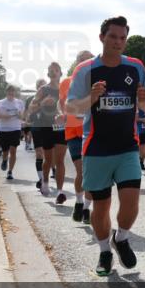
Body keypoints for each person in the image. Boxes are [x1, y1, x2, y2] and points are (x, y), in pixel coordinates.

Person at [67, 16, 145, 276]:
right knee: (101, 207)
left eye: (122, 38)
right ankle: (104, 251)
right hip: (96, 148)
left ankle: (121, 238)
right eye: (113, 37)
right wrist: (91, 97)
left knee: (130, 202)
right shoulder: (85, 70)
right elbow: (72, 109)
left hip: (127, 146)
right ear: (102, 37)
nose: (118, 42)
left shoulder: (135, 67)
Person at [61, 50, 95, 223]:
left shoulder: (97, 81)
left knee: (91, 172)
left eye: (89, 60)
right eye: (82, 60)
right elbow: (63, 105)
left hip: (92, 131)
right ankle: (80, 202)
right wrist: (61, 114)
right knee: (82, 170)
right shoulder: (66, 83)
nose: (86, 63)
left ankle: (86, 207)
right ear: (76, 63)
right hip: (73, 131)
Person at [30, 63, 68, 202]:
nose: (53, 72)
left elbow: (73, 104)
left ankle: (59, 192)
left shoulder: (65, 87)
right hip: (46, 127)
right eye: (51, 71)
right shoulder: (43, 90)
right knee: (48, 160)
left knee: (60, 160)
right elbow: (31, 108)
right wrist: (42, 103)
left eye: (56, 70)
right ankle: (45, 181)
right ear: (48, 74)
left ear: (60, 73)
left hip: (61, 127)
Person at [0, 85, 26, 179]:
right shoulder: (0, 103)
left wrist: (20, 116)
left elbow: (23, 117)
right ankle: (4, 159)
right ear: (6, 92)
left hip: (15, 129)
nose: (11, 93)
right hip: (3, 129)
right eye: (9, 92)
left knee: (13, 150)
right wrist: (3, 116)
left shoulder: (20, 103)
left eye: (12, 91)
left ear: (15, 93)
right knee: (5, 150)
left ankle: (10, 172)